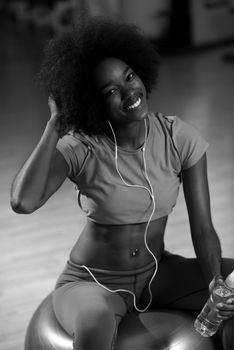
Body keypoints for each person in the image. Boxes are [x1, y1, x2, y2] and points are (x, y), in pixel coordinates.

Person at [10, 15, 234, 350]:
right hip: (93, 282)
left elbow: (203, 227)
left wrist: (215, 285)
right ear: (92, 103)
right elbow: (23, 202)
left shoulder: (179, 138)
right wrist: (57, 123)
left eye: (129, 77)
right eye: (111, 91)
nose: (129, 92)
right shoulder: (83, 146)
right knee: (96, 321)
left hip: (157, 275)